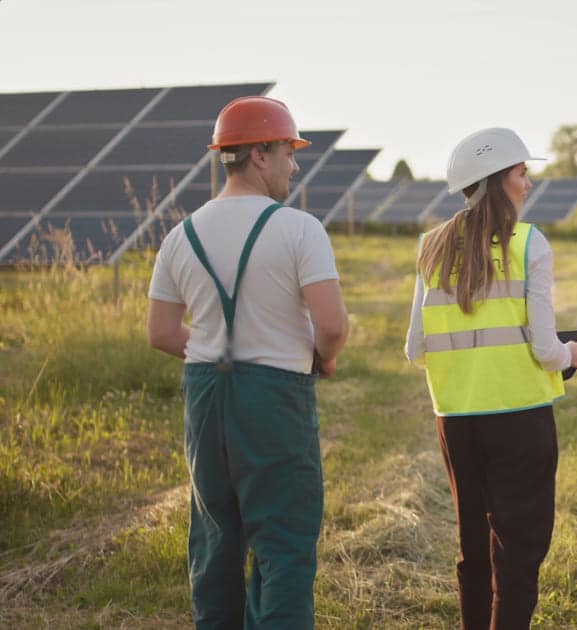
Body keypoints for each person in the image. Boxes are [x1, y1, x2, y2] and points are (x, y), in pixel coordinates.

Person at [147, 95, 349, 629]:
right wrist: (321, 359)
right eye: (288, 151)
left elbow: (162, 334)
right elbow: (332, 326)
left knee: (215, 539)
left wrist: (213, 347)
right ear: (259, 155)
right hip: (276, 396)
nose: (295, 164)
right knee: (282, 543)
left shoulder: (178, 237)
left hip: (205, 394)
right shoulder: (300, 229)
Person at [405, 127, 577, 630]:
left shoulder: (430, 245)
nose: (528, 183)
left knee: (473, 545)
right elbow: (547, 350)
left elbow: (414, 346)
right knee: (520, 549)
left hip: (456, 422)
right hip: (520, 419)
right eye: (522, 173)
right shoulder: (530, 243)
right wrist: (573, 352)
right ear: (498, 179)